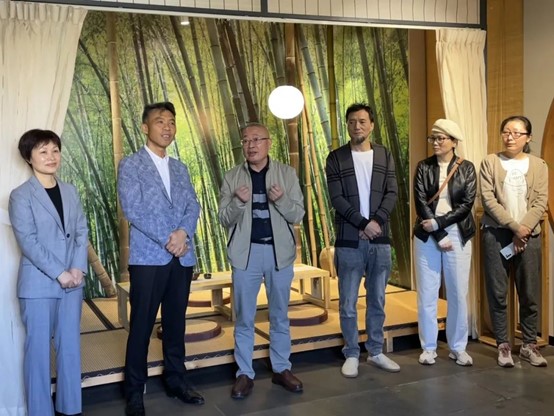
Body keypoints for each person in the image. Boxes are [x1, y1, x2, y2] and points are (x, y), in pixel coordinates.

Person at [117, 102, 203, 416]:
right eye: (159, 121)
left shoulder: (180, 167)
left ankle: (176, 380)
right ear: (145, 127)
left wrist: (184, 233)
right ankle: (134, 391)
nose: (167, 127)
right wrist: (171, 239)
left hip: (182, 257)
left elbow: (193, 204)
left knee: (175, 323)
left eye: (171, 122)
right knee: (141, 325)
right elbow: (133, 210)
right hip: (148, 258)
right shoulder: (131, 164)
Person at [218, 122, 305, 399]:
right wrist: (237, 202)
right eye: (245, 140)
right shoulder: (232, 177)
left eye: (256, 139)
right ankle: (244, 373)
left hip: (279, 254)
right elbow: (223, 218)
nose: (251, 145)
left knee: (279, 315)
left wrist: (281, 200)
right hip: (246, 255)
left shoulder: (286, 173)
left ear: (268, 143)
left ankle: (281, 368)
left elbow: (298, 214)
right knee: (244, 317)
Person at [9, 129, 88, 416]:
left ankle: (71, 409)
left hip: (73, 282)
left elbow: (81, 230)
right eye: (43, 151)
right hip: (39, 285)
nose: (51, 156)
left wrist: (77, 267)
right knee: (38, 354)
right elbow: (28, 241)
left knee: (70, 348)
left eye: (55, 150)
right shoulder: (20, 196)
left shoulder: (70, 191)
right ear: (28, 158)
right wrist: (59, 272)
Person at [325, 103, 400, 378]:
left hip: (380, 239)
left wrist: (375, 222)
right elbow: (336, 198)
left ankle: (376, 351)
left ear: (372, 125)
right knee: (347, 301)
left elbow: (392, 192)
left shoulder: (384, 154)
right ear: (347, 125)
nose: (357, 126)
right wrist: (362, 223)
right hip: (349, 239)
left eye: (362, 121)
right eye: (352, 122)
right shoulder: (336, 158)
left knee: (377, 298)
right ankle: (352, 353)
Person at [480, 115, 548, 368]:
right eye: (506, 132)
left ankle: (529, 345)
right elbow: (488, 200)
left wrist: (524, 230)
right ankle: (503, 345)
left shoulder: (539, 165)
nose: (510, 137)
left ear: (528, 137)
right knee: (497, 292)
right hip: (496, 234)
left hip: (530, 235)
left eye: (517, 133)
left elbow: (540, 201)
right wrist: (515, 228)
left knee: (530, 292)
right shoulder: (490, 162)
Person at [413, 119, 476, 366]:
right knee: (427, 292)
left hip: (458, 233)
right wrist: (438, 233)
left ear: (454, 141)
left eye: (441, 138)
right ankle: (428, 347)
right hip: (427, 234)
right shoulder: (423, 166)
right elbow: (420, 202)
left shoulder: (467, 168)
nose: (436, 142)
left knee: (458, 292)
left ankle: (458, 347)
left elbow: (467, 204)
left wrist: (440, 224)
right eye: (433, 138)